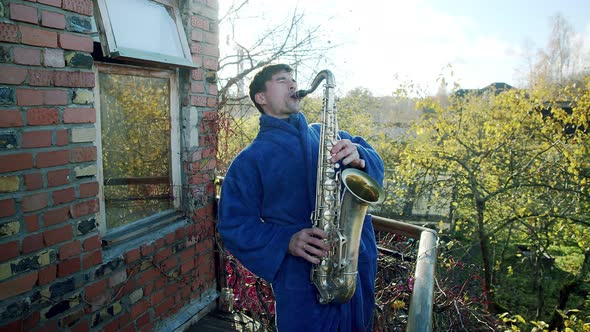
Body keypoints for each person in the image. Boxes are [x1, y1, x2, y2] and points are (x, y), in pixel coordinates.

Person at [217, 64, 385, 331]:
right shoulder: (248, 160)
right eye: (282, 80)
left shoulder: (326, 134)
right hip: (302, 279)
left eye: (293, 79)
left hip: (355, 268)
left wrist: (359, 156)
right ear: (261, 98)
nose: (293, 85)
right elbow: (233, 226)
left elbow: (374, 160)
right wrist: (287, 240)